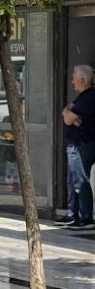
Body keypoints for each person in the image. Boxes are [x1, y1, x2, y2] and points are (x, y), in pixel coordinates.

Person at [58, 65, 95, 228]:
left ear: (82, 80)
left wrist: (69, 114)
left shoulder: (88, 98)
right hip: (77, 144)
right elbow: (66, 111)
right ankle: (73, 214)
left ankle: (85, 217)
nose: (72, 81)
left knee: (80, 180)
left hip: (81, 145)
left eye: (74, 78)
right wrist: (68, 111)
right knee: (74, 181)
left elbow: (67, 119)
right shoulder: (82, 97)